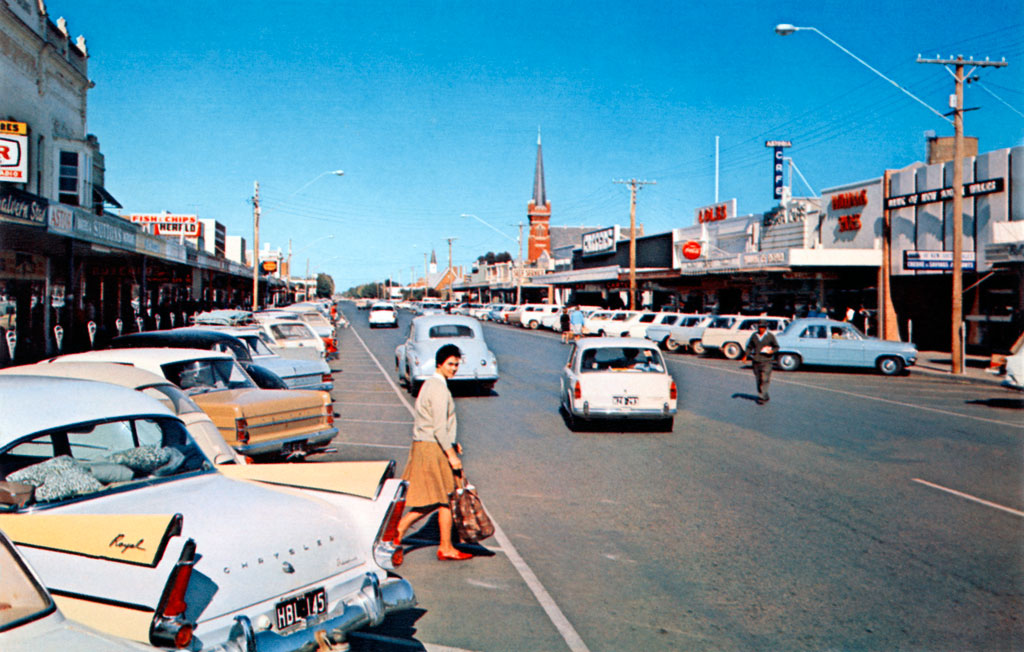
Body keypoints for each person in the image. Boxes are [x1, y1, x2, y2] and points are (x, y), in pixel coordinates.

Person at [395, 343, 473, 561]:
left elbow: (435, 424)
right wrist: (452, 455)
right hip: (432, 448)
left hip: (429, 444)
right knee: (444, 498)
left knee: (442, 499)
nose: (454, 368)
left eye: (457, 364)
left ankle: (441, 544)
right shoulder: (438, 388)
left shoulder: (431, 385)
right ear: (440, 363)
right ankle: (402, 532)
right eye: (450, 364)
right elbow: (439, 427)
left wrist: (452, 443)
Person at [742, 320, 778, 405]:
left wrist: (771, 351)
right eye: (760, 327)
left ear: (765, 328)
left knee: (764, 379)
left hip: (767, 361)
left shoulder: (770, 336)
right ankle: (764, 394)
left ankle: (761, 397)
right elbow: (749, 346)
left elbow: (776, 347)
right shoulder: (754, 336)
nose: (761, 329)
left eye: (763, 327)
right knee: (759, 380)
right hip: (756, 360)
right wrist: (745, 356)